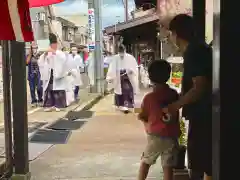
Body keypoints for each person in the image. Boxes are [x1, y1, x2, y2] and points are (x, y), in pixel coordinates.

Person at [165, 14, 212, 180]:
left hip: (203, 114)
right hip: (204, 113)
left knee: (199, 161)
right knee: (203, 160)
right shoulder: (198, 49)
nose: (171, 37)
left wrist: (175, 105)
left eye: (171, 33)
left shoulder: (194, 51)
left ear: (176, 33)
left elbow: (199, 87)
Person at [137, 60, 180, 180]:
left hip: (155, 136)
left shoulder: (149, 98)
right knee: (168, 166)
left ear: (150, 77)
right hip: (171, 136)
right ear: (168, 75)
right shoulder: (174, 94)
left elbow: (143, 116)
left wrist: (147, 126)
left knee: (146, 162)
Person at [38, 33, 69, 112]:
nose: (52, 46)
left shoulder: (60, 53)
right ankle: (49, 105)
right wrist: (45, 54)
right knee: (49, 89)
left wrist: (54, 52)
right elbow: (40, 62)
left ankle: (59, 105)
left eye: (53, 44)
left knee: (57, 90)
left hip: (57, 74)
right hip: (49, 74)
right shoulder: (47, 52)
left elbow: (63, 59)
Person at [106, 45, 139, 113]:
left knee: (128, 90)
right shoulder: (115, 58)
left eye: (122, 53)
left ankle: (127, 104)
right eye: (120, 53)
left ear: (125, 51)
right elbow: (112, 68)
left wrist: (131, 70)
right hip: (118, 77)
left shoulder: (130, 57)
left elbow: (134, 67)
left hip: (128, 77)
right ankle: (121, 104)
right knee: (119, 91)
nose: (121, 55)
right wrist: (110, 77)